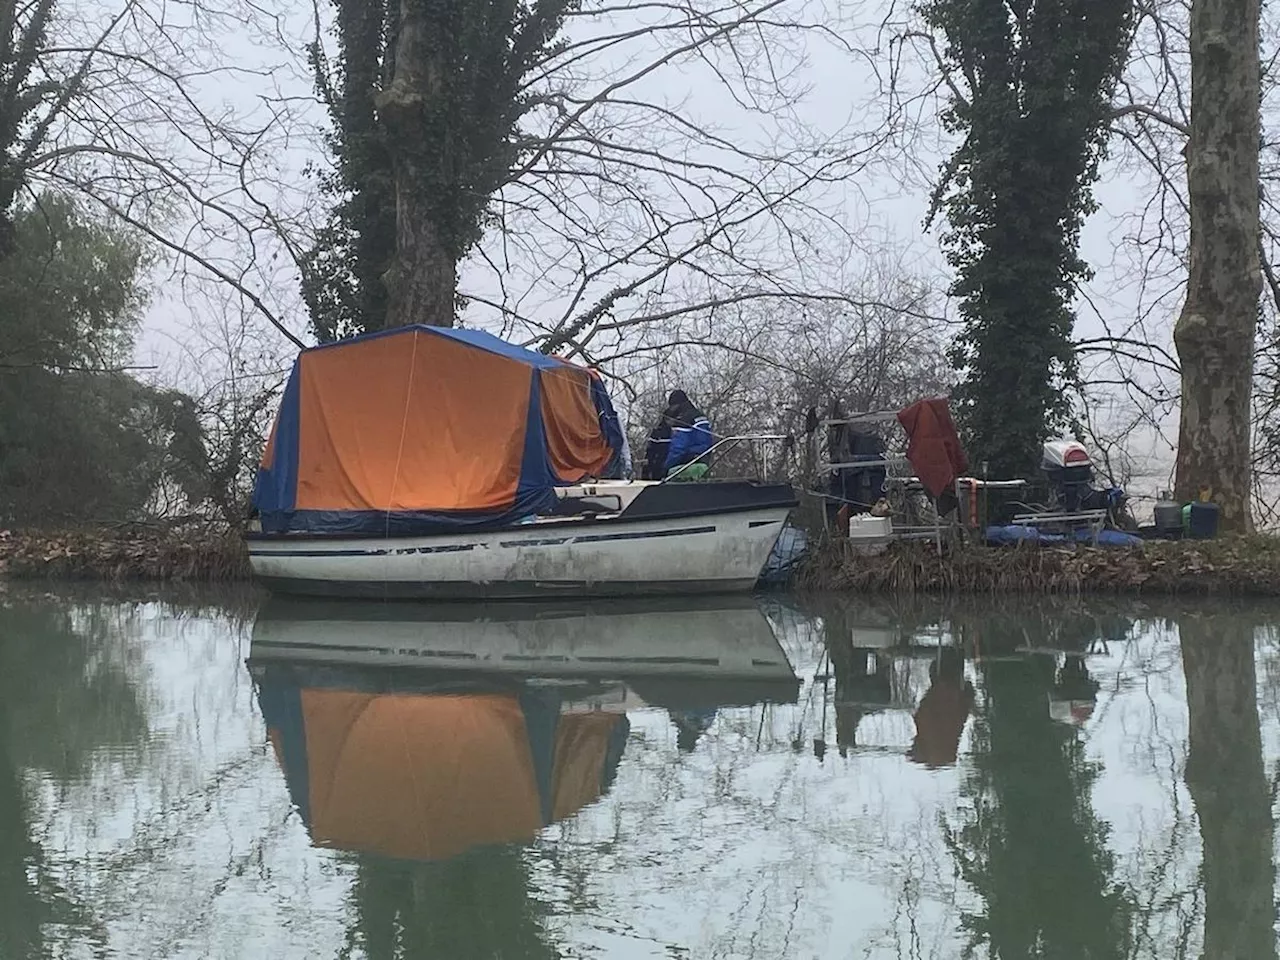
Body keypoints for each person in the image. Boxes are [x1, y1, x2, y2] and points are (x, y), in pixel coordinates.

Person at [642, 389, 714, 480]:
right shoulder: (700, 416)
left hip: (686, 464)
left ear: (675, 405)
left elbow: (678, 448)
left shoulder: (683, 419)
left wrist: (666, 467)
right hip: (703, 463)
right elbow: (707, 442)